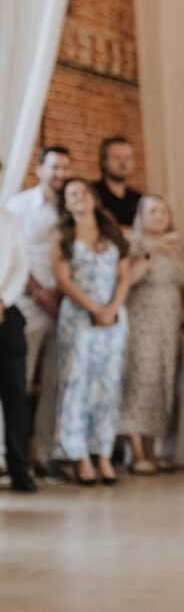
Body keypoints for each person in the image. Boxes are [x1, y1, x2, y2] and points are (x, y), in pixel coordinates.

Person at [52, 179, 131, 486]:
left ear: (93, 198)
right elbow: (64, 279)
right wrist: (93, 308)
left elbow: (123, 277)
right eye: (72, 195)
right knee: (78, 385)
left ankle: (105, 455)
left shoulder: (112, 234)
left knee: (108, 386)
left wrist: (111, 308)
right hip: (79, 317)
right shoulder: (64, 236)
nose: (79, 198)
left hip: (113, 318)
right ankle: (80, 456)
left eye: (83, 192)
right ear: (67, 204)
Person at [5, 145, 72, 483]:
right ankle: (8, 454)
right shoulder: (20, 205)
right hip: (30, 301)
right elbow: (22, 259)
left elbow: (76, 255)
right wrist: (39, 292)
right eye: (54, 167)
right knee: (18, 382)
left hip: (64, 304)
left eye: (65, 168)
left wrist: (62, 294)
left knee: (56, 383)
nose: (60, 174)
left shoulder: (69, 207)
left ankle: (43, 453)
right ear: (40, 168)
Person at [118, 195, 184, 475]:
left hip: (169, 322)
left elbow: (183, 284)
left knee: (162, 382)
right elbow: (128, 279)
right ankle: (135, 451)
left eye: (163, 211)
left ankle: (152, 449)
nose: (159, 216)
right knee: (140, 380)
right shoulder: (133, 242)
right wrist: (150, 253)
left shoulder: (177, 244)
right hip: (142, 317)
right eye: (153, 211)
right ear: (142, 214)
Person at [0, 200, 36, 492]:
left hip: (6, 311)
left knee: (15, 394)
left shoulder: (8, 220)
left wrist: (3, 299)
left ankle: (19, 466)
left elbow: (20, 264)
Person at [92, 137, 143, 228]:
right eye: (116, 157)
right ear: (104, 161)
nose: (123, 163)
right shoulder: (92, 193)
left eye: (128, 158)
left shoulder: (139, 199)